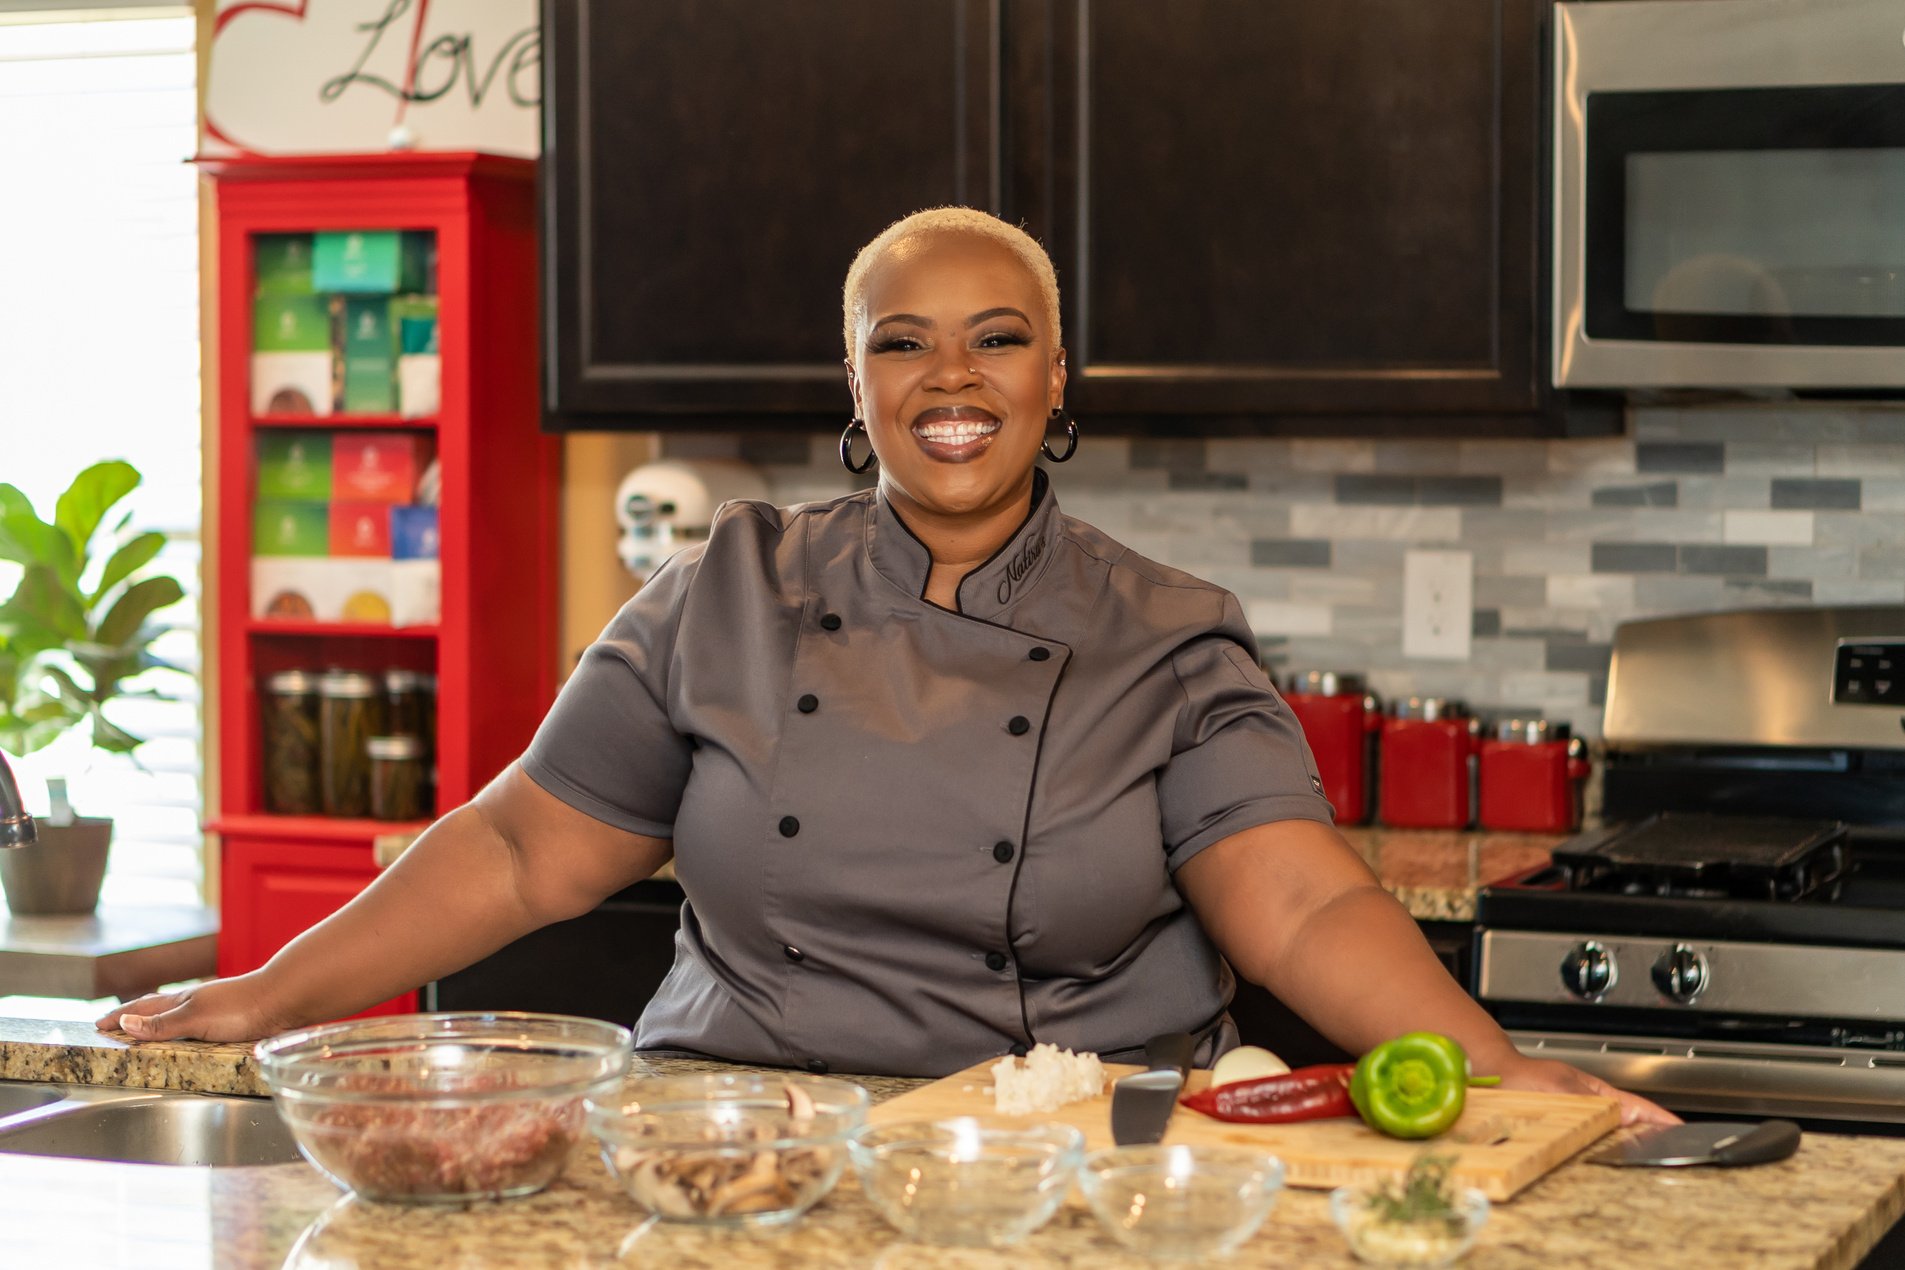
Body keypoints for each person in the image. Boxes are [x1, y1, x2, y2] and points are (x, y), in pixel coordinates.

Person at [103, 208, 1671, 1125]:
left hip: (1062, 1163)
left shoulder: (1165, 631)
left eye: (997, 336)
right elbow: (522, 847)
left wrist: (1492, 1071)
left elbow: (1303, 905)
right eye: (901, 339)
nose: (950, 377)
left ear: (1056, 377)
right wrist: (267, 991)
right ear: (851, 379)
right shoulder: (722, 590)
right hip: (735, 1140)